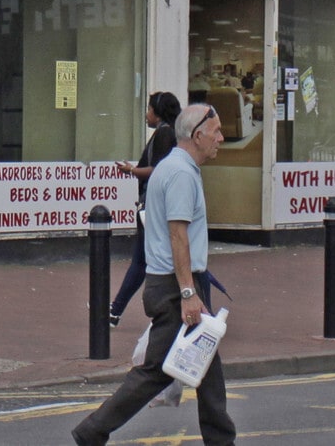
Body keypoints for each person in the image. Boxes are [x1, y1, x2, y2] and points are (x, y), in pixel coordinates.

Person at [72, 103, 236, 446]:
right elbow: (178, 235)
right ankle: (92, 431)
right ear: (197, 134)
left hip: (176, 282)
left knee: (207, 367)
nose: (221, 137)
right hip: (176, 285)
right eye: (217, 131)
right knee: (154, 373)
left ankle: (221, 439)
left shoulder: (173, 166)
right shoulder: (180, 173)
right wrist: (189, 293)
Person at [107, 91, 182, 326]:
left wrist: (130, 171)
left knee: (142, 260)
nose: (146, 114)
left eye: (149, 109)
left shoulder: (164, 133)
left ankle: (115, 310)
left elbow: (156, 169)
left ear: (158, 112)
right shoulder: (166, 133)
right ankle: (115, 310)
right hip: (152, 204)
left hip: (153, 206)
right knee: (148, 258)